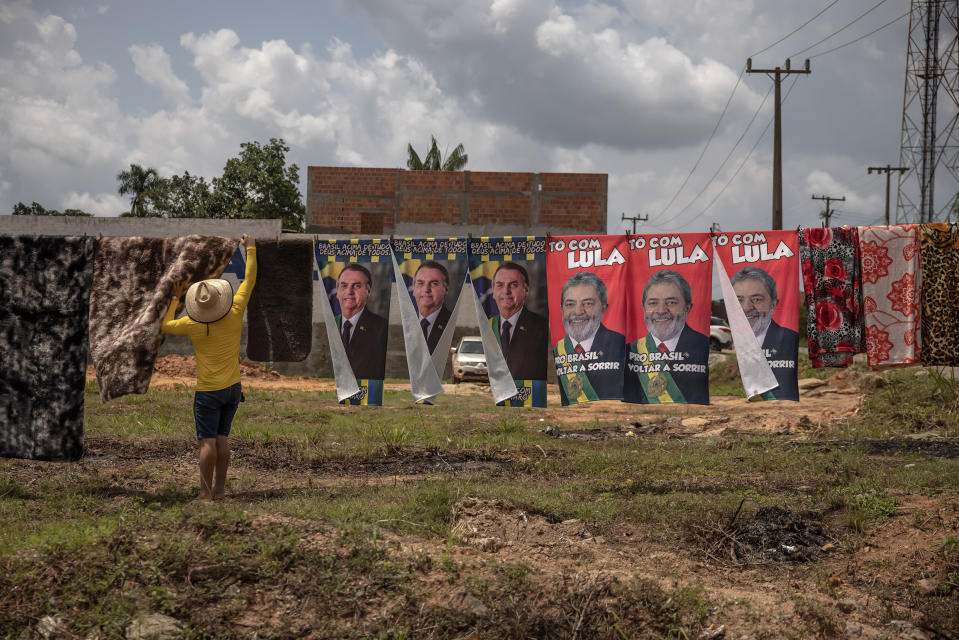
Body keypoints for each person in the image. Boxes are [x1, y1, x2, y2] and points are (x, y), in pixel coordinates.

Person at [161, 233, 256, 501]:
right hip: (233, 389)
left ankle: (204, 494)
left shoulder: (192, 324)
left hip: (208, 392)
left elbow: (166, 325)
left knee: (208, 442)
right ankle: (220, 490)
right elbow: (249, 280)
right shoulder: (235, 311)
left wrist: (173, 300)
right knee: (223, 439)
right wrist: (251, 249)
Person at [625, 269, 710, 405]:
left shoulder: (704, 345)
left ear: (688, 308)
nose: (661, 311)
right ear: (643, 308)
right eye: (653, 303)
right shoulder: (629, 351)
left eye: (671, 302)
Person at [553, 271, 625, 402]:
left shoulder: (622, 346)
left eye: (588, 303)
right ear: (562, 309)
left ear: (603, 308)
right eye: (570, 304)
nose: (578, 312)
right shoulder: (557, 350)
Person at [731, 265, 799, 400]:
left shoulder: (790, 337)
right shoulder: (738, 339)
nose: (746, 308)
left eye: (756, 299)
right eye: (739, 300)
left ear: (773, 304)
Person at [490, 262, 548, 380]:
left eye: (513, 285)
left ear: (525, 291)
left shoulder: (542, 327)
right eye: (500, 285)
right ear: (493, 292)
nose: (506, 291)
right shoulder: (487, 326)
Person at [335, 264, 388, 379]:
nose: (349, 291)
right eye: (344, 286)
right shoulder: (328, 325)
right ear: (337, 292)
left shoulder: (382, 329)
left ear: (368, 291)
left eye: (356, 286)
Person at [413, 260, 453, 354]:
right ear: (413, 289)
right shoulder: (405, 322)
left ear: (445, 290)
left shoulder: (453, 322)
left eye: (434, 283)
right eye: (420, 283)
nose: (426, 289)